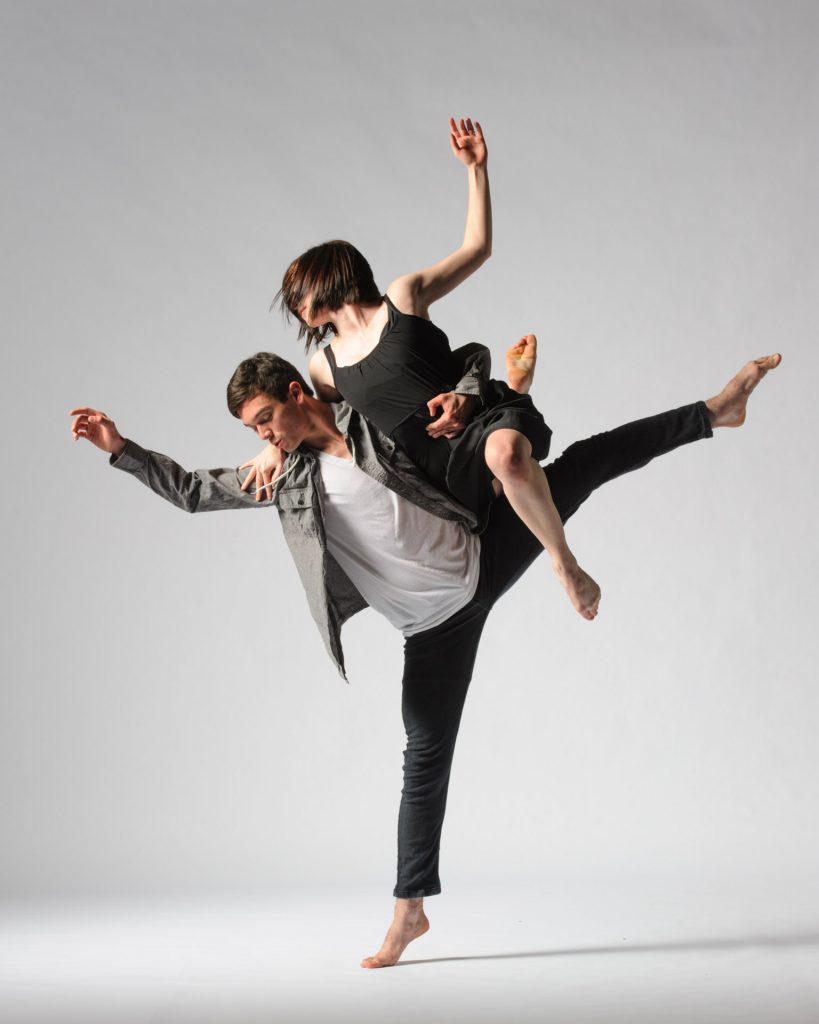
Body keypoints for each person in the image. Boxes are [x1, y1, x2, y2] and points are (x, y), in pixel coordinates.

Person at [69, 348, 781, 968]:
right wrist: (119, 447)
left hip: (485, 548)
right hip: (432, 628)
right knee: (424, 758)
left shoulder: (371, 415)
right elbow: (194, 493)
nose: (263, 437)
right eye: (252, 431)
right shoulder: (284, 477)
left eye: (264, 420)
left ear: (295, 394)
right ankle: (409, 911)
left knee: (581, 464)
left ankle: (713, 412)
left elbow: (448, 380)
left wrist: (493, 394)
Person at [268, 118, 603, 620]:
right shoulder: (323, 368)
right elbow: (310, 426)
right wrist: (270, 448)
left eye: (299, 291)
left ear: (329, 276)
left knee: (508, 456)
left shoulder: (402, 298)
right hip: (434, 477)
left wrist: (477, 170)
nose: (295, 304)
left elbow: (477, 249)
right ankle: (517, 386)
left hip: (478, 425)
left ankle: (565, 564)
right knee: (498, 490)